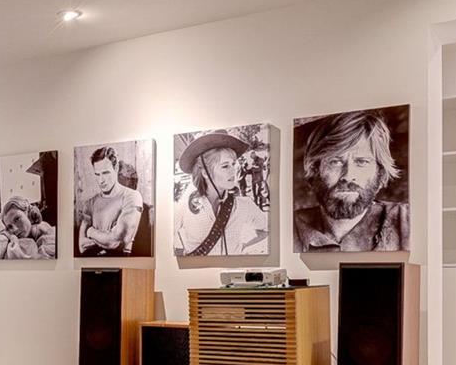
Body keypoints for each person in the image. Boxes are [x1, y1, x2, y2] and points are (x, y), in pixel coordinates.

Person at [293, 109, 410, 251]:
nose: (348, 175)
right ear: (314, 172)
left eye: (362, 162)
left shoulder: (406, 223)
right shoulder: (290, 228)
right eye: (335, 161)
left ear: (381, 174)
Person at [173, 131, 268, 257]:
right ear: (205, 173)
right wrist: (180, 255)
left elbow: (266, 229)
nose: (233, 170)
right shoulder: (185, 205)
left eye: (233, 164)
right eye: (225, 166)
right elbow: (167, 237)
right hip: (196, 275)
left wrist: (242, 246)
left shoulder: (244, 204)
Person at [77, 146, 144, 256]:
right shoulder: (89, 203)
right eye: (97, 174)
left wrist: (90, 231)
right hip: (91, 265)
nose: (101, 180)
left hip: (123, 266)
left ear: (116, 168)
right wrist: (108, 236)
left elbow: (116, 242)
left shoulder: (132, 196)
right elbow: (82, 247)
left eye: (105, 173)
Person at [0, 195, 56, 259]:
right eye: (10, 226)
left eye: (17, 219)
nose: (15, 229)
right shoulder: (27, 235)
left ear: (27, 213)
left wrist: (13, 239)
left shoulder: (48, 237)